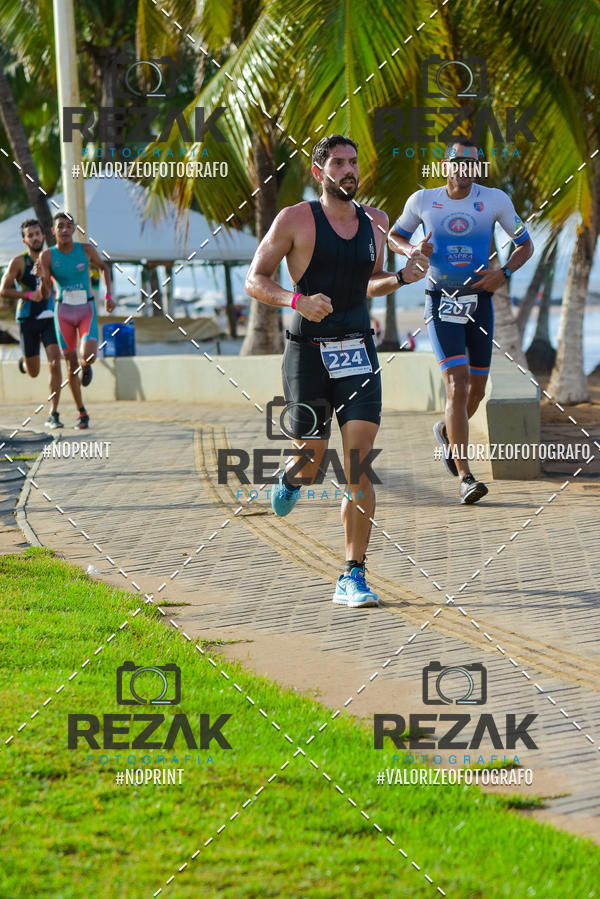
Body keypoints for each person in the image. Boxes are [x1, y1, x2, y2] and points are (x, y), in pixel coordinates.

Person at [245, 134, 429, 607]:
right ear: (319, 173)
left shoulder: (377, 222)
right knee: (310, 459)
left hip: (357, 352)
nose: (349, 170)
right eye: (340, 163)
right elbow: (255, 279)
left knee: (358, 465)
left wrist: (403, 279)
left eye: (354, 162)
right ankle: (290, 478)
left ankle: (353, 573)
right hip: (307, 351)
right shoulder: (295, 220)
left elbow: (368, 285)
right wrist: (297, 301)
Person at [388, 138, 533, 504]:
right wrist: (412, 250)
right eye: (459, 162)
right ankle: (465, 476)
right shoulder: (422, 200)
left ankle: (446, 431)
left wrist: (504, 275)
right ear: (446, 165)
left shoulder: (495, 200)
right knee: (457, 383)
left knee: (478, 391)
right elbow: (395, 236)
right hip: (441, 302)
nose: (465, 169)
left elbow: (525, 244)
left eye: (472, 163)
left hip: (480, 302)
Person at [39, 212, 115, 429]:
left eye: (68, 226)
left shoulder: (86, 250)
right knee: (70, 365)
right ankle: (82, 413)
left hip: (86, 309)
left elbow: (104, 267)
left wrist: (109, 296)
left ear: (74, 229)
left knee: (88, 356)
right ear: (53, 231)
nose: (64, 230)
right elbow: (44, 293)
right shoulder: (47, 256)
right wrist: (42, 278)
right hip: (62, 311)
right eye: (60, 226)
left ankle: (87, 365)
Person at [0, 219, 63, 429]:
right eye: (31, 235)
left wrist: (45, 279)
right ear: (24, 240)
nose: (35, 238)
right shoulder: (19, 262)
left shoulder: (52, 258)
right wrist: (27, 294)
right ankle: (24, 363)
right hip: (27, 319)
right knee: (33, 372)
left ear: (43, 236)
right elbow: (3, 290)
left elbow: (57, 285)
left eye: (38, 233)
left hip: (49, 317)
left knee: (55, 361)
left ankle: (54, 413)